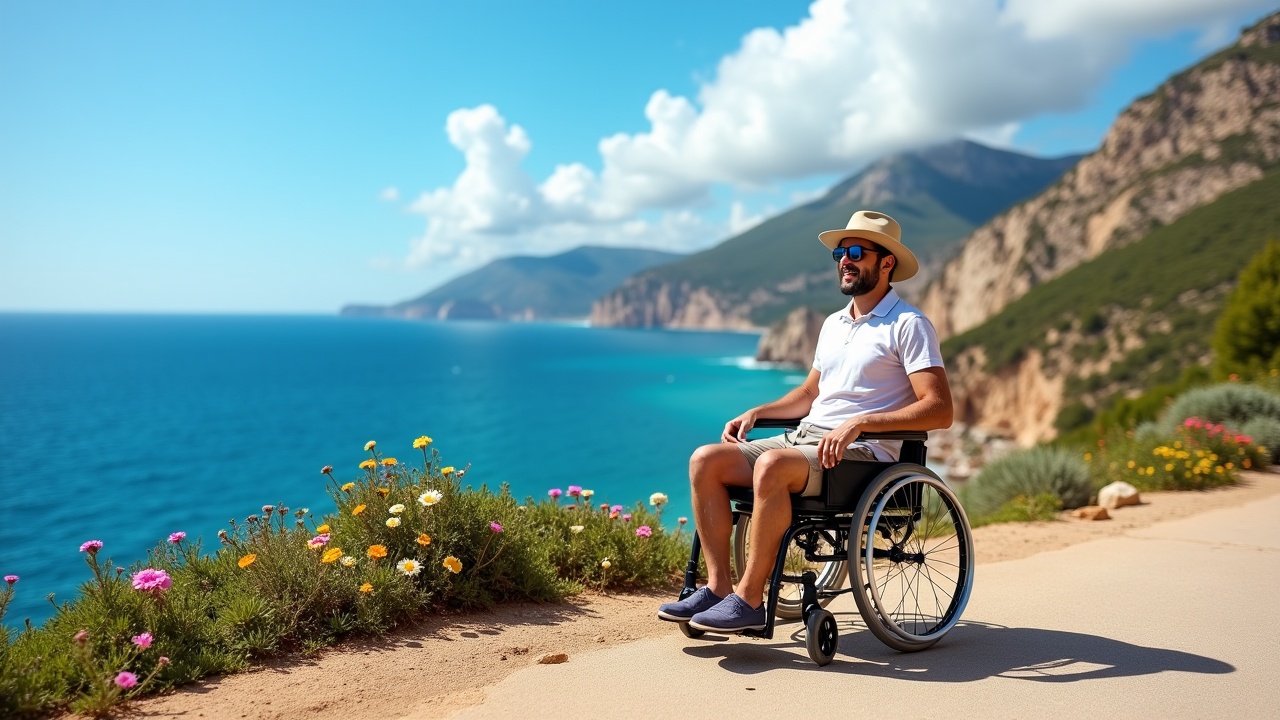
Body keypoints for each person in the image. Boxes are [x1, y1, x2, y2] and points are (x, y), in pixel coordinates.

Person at [657, 209, 954, 633]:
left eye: (856, 252)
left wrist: (862, 422)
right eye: (839, 252)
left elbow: (939, 409)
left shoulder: (909, 325)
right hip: (808, 439)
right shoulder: (834, 323)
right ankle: (720, 588)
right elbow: (809, 394)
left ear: (886, 263)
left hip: (863, 456)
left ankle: (750, 599)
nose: (844, 261)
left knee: (772, 465)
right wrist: (759, 411)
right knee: (706, 460)